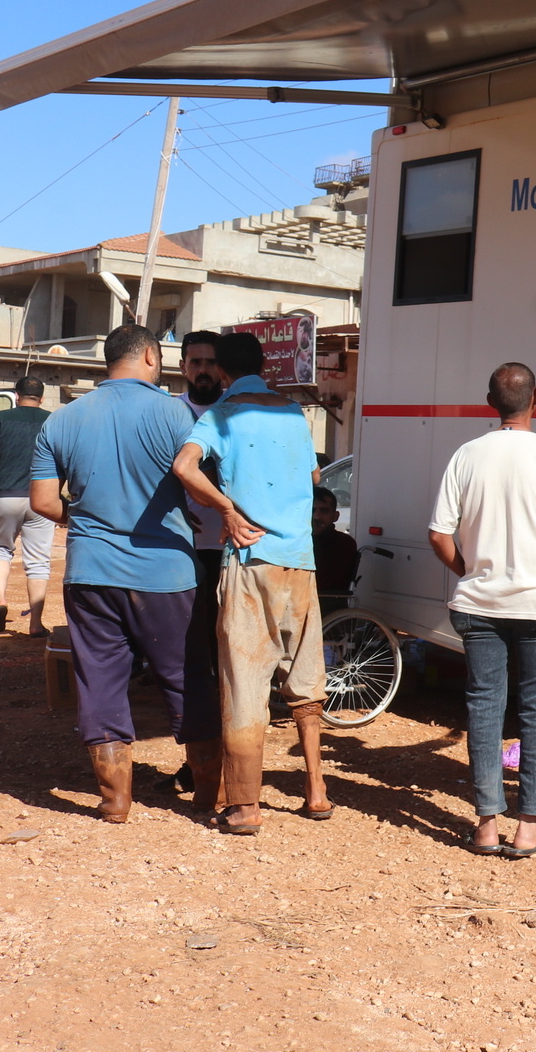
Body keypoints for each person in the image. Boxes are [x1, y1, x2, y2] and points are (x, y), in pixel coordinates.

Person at [28, 324, 221, 821]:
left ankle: (115, 801)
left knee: (99, 681)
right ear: (153, 358)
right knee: (187, 678)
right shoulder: (179, 414)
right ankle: (205, 793)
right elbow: (201, 483)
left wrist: (88, 519)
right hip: (167, 576)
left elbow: (44, 502)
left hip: (90, 572)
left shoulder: (62, 420)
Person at [428, 362, 536, 857]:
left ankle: (485, 824)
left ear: (489, 400)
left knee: (484, 708)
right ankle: (529, 826)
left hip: (479, 605)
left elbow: (438, 534)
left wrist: (472, 572)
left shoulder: (466, 456)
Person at [172, 331, 331, 835]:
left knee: (245, 681)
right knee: (304, 681)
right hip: (300, 561)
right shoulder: (293, 413)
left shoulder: (220, 414)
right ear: (265, 366)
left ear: (220, 371)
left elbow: (184, 466)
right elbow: (313, 478)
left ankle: (244, 805)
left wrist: (226, 509)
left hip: (249, 558)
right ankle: (317, 790)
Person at [171, 331, 227, 795]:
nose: (203, 369)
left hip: (233, 549)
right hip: (183, 553)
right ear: (183, 366)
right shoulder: (170, 412)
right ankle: (202, 757)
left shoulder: (238, 412)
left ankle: (226, 757)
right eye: (196, 362)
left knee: (225, 656)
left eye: (211, 362)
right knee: (193, 658)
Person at [0, 376, 54, 635]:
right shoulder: (53, 420)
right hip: (42, 499)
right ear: (41, 398)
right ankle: (35, 623)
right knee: (38, 561)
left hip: (5, 496)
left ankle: (0, 601)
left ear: (16, 395)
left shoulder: (0, 418)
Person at [312, 486, 359, 615]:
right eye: (312, 510)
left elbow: (324, 581)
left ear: (335, 516)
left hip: (324, 601)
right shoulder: (301, 540)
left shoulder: (344, 543)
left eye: (324, 511)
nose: (317, 516)